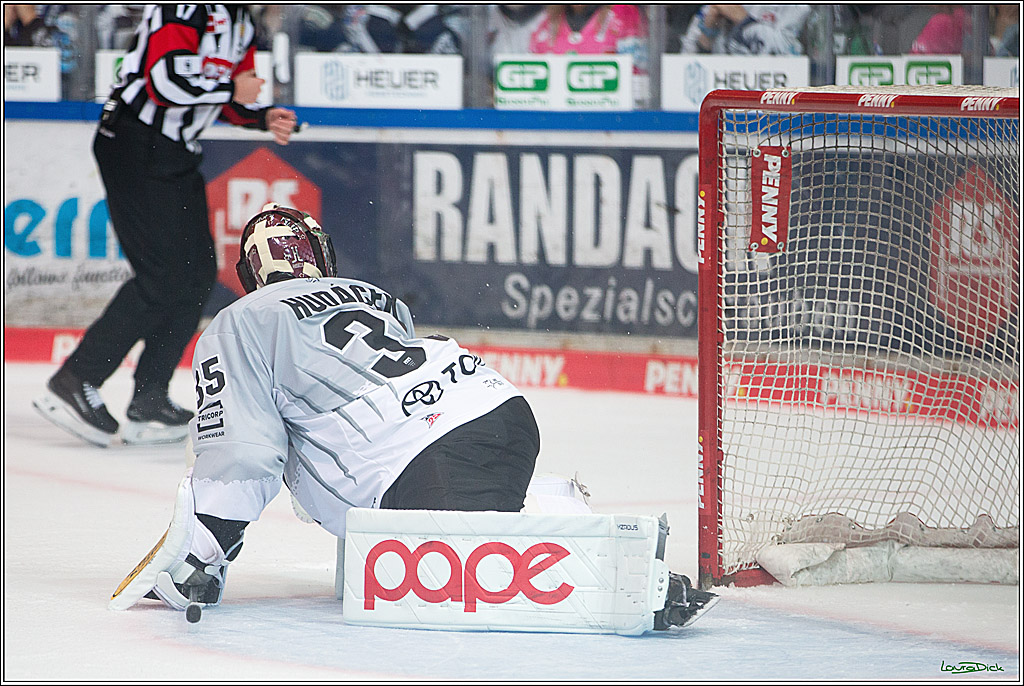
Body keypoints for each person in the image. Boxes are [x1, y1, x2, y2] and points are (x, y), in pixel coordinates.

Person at [107, 203, 717, 630]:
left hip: (420, 456)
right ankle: (563, 510)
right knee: (458, 516)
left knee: (456, 580)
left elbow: (242, 449)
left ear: (250, 276)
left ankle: (626, 575)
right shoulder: (371, 295)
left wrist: (201, 559)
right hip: (494, 408)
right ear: (320, 256)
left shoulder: (241, 322)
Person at [32, 5, 297, 448]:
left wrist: (260, 116)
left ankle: (149, 398)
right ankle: (77, 378)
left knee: (195, 275)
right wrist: (234, 86)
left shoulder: (242, 22)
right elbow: (165, 82)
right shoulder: (184, 9)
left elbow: (224, 96)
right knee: (162, 274)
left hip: (174, 150)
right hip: (135, 142)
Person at [680, 4, 811, 55]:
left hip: (768, 91)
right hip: (723, 85)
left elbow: (789, 54)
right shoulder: (715, 7)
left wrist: (744, 20)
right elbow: (687, 58)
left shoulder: (797, 7)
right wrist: (708, 31)